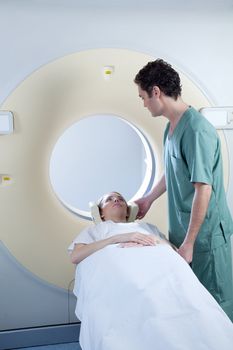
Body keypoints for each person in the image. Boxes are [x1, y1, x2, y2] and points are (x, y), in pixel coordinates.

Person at [69, 192, 233, 350]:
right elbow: (76, 256)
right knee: (136, 292)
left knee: (184, 294)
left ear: (128, 210)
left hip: (158, 263)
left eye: (120, 198)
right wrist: (117, 238)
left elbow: (174, 251)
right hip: (120, 266)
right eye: (109, 199)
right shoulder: (95, 231)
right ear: (101, 214)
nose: (116, 200)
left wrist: (149, 241)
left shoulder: (146, 227)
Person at [134, 59, 233, 321]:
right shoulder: (171, 126)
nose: (143, 103)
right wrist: (149, 199)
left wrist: (189, 243)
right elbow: (173, 170)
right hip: (184, 230)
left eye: (143, 97)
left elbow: (203, 189)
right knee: (193, 304)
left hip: (205, 237)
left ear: (156, 92)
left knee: (216, 303)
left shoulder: (197, 130)